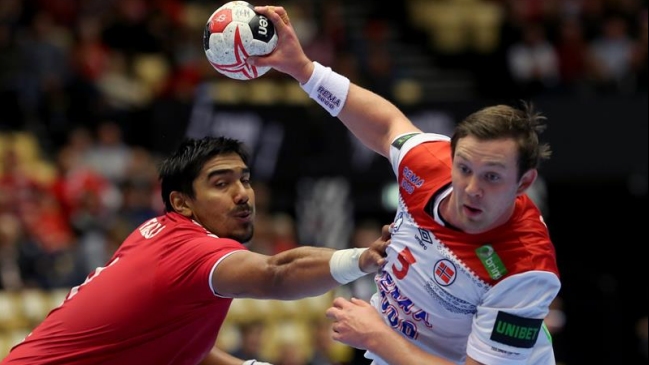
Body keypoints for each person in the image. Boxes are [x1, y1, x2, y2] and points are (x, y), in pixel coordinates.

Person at [248, 6, 561, 365]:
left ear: (524, 182)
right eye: (464, 168)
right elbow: (385, 126)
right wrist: (303, 70)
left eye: (492, 176)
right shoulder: (429, 164)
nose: (472, 188)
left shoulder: (526, 268)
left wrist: (377, 337)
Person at [0, 136, 390, 365]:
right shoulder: (193, 251)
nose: (243, 195)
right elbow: (277, 272)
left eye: (245, 180)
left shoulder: (154, 235)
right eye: (221, 184)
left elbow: (177, 347)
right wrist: (361, 258)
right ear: (182, 202)